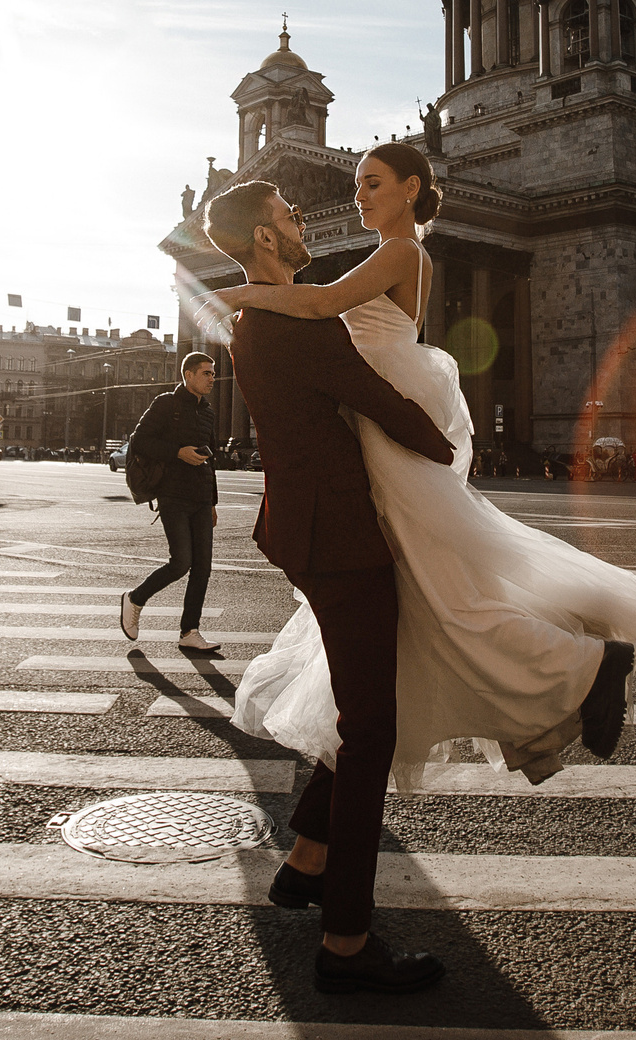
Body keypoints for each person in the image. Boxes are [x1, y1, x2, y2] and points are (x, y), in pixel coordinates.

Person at [194, 175, 459, 995]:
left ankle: (308, 859)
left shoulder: (260, 316)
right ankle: (346, 941)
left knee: (362, 706)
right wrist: (444, 445)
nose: (302, 218)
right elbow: (375, 397)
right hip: (341, 539)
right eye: (289, 213)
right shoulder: (290, 319)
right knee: (371, 729)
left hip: (312, 529)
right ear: (267, 239)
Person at [120, 353, 225, 653]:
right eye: (206, 373)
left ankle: (189, 631)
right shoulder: (166, 403)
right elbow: (139, 441)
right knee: (181, 562)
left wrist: (213, 502)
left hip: (201, 497)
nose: (212, 379)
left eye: (213, 374)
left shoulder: (207, 412)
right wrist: (177, 452)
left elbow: (211, 459)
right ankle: (135, 598)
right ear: (188, 375)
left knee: (202, 567)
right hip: (173, 495)